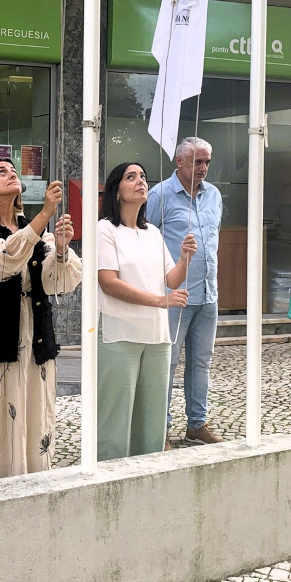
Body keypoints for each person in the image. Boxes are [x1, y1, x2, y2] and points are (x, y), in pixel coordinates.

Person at [0, 157, 82, 486]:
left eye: (14, 170)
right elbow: (2, 261)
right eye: (2, 171)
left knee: (34, 416)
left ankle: (32, 487)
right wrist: (44, 218)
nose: (11, 174)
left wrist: (62, 249)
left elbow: (60, 282)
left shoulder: (38, 233)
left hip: (34, 337)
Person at [98, 162, 196, 460]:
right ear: (117, 191)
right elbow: (109, 283)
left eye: (143, 175)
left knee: (153, 417)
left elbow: (170, 279)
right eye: (131, 177)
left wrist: (185, 258)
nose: (140, 181)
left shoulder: (152, 232)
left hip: (157, 337)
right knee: (116, 416)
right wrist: (160, 302)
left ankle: (148, 473)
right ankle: (110, 475)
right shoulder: (105, 229)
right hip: (120, 334)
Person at [145, 136, 223, 446]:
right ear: (179, 162)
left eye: (207, 161)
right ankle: (158, 428)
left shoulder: (214, 195)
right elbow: (145, 240)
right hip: (175, 295)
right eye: (197, 161)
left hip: (207, 294)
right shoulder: (159, 196)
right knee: (168, 363)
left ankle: (197, 423)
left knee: (201, 362)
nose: (203, 167)